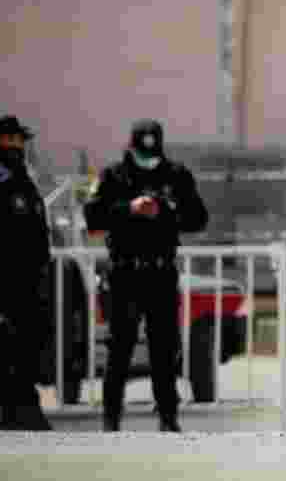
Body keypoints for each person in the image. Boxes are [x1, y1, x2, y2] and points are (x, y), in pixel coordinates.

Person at [84, 119, 208, 432]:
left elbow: (197, 218)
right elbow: (93, 216)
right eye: (143, 148)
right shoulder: (114, 175)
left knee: (164, 349)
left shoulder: (176, 175)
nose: (148, 155)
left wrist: (165, 210)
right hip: (125, 273)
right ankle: (111, 420)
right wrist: (129, 209)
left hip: (160, 273)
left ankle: (168, 417)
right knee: (120, 347)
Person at [0, 115, 53, 431]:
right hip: (2, 282)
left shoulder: (22, 180)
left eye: (18, 140)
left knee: (27, 346)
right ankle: (17, 410)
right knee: (6, 347)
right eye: (8, 140)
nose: (15, 146)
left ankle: (23, 407)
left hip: (29, 283)